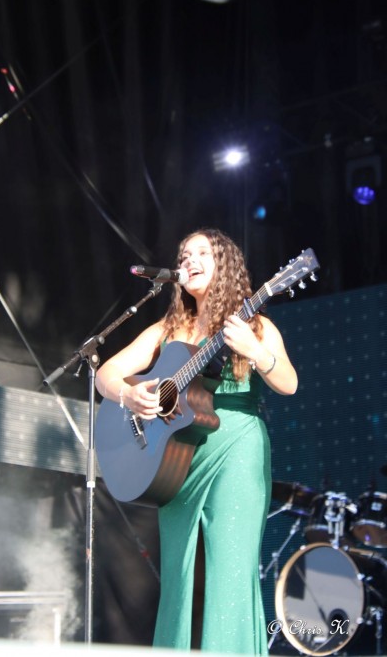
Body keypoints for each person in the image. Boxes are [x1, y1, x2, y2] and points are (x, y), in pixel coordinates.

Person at [96, 227, 298, 654]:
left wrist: (256, 352)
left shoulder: (254, 324)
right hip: (177, 460)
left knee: (229, 571)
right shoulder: (168, 328)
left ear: (224, 263)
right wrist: (129, 395)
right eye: (183, 256)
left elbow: (289, 383)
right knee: (181, 577)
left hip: (236, 448)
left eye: (201, 253)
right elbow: (105, 374)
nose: (188, 261)